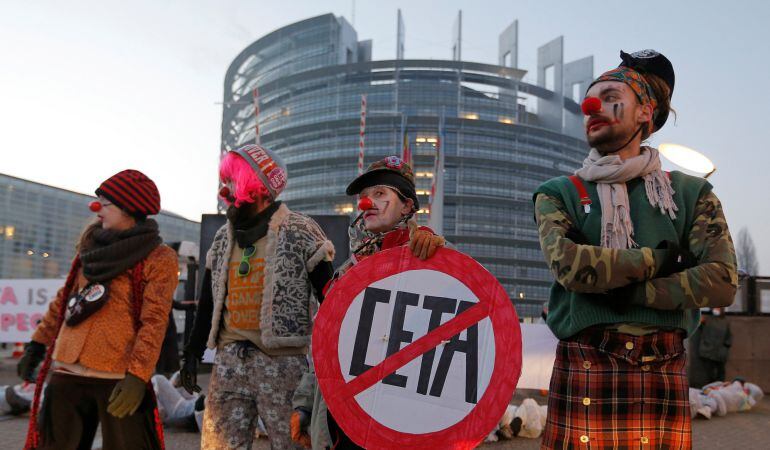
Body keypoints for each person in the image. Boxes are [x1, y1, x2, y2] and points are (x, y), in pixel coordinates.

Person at [532, 50, 738, 448]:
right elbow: (571, 267)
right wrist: (658, 261)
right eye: (590, 99)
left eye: (611, 96)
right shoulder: (558, 192)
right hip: (586, 362)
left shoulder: (691, 193)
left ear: (646, 111)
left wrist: (635, 290)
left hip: (663, 368)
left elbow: (723, 281)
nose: (592, 106)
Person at [180, 144, 335, 450]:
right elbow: (209, 302)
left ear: (258, 184)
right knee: (219, 446)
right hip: (228, 361)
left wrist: (326, 365)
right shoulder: (224, 236)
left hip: (281, 362)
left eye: (233, 178)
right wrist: (192, 354)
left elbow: (331, 298)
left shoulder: (301, 231)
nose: (226, 187)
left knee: (292, 444)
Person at [290, 156, 445, 450]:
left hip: (400, 422)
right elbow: (326, 346)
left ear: (408, 206)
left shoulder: (427, 258)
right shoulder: (348, 271)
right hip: (345, 423)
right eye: (363, 197)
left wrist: (441, 255)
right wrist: (305, 403)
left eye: (380, 193)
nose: (366, 203)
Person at [17, 169, 179, 450]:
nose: (97, 210)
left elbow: (154, 321)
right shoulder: (90, 248)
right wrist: (37, 343)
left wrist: (138, 377)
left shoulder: (158, 256)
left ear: (128, 207)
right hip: (67, 370)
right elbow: (63, 302)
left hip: (117, 376)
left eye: (105, 204)